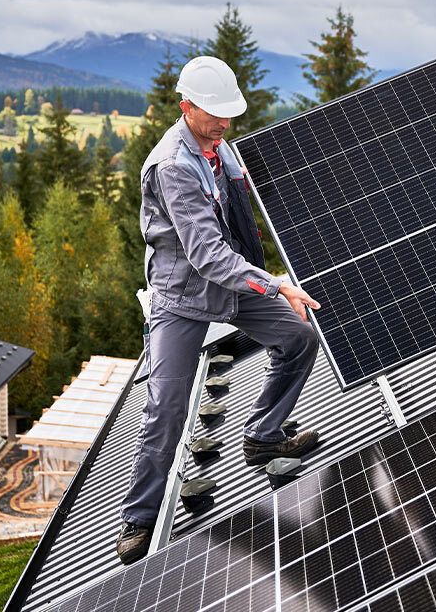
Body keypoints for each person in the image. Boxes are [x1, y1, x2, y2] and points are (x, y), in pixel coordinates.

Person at [115, 55, 322, 565]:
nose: (225, 124)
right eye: (214, 114)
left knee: (299, 337)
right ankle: (139, 518)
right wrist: (273, 283)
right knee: (166, 406)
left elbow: (239, 221)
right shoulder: (173, 167)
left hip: (230, 285)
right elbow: (206, 255)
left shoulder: (220, 149)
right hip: (182, 298)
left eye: (230, 114)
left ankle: (264, 437)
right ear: (185, 106)